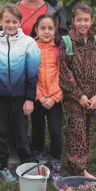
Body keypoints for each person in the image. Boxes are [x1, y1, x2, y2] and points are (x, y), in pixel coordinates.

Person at [0, 4, 40, 182]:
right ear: (0, 21)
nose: (10, 25)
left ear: (20, 22)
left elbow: (33, 74)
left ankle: (27, 167)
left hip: (20, 97)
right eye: (7, 21)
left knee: (22, 132)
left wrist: (30, 99)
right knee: (0, 133)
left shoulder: (28, 43)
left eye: (14, 21)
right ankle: (2, 167)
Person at [59, 3, 96, 177]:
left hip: (93, 98)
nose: (82, 23)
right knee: (76, 131)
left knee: (88, 131)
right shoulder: (67, 42)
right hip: (75, 99)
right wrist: (78, 95)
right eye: (79, 20)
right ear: (72, 21)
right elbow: (64, 72)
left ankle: (82, 164)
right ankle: (77, 168)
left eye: (86, 20)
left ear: (92, 21)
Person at [30, 14, 64, 182]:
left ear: (55, 30)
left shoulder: (59, 49)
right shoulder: (31, 47)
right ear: (36, 30)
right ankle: (40, 159)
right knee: (37, 130)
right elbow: (28, 73)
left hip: (54, 99)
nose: (46, 31)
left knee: (56, 132)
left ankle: (56, 164)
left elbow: (63, 74)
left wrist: (54, 97)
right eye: (43, 28)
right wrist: (39, 95)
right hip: (37, 98)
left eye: (50, 28)